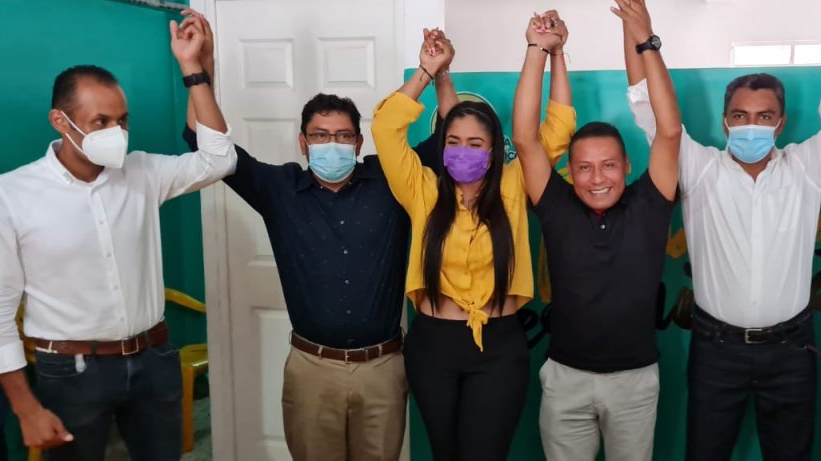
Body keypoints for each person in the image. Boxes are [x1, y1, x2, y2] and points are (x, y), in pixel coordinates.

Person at [626, 3, 821, 459]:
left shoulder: (808, 165)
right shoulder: (698, 168)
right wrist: (638, 32)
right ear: (725, 121)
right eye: (739, 116)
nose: (750, 125)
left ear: (781, 123)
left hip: (792, 351)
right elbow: (647, 105)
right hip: (716, 351)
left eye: (764, 116)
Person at [178, 14, 452, 461]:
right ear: (303, 143)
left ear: (359, 142)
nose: (332, 143)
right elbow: (205, 145)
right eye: (321, 136)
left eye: (343, 135)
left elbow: (448, 142)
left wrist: (439, 74)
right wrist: (199, 71)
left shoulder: (393, 180)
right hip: (311, 369)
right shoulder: (279, 189)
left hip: (383, 368)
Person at [0, 13, 235, 461]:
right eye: (100, 121)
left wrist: (197, 69)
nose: (115, 133)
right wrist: (26, 409)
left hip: (154, 360)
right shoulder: (8, 195)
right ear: (60, 121)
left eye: (122, 120)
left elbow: (219, 160)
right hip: (71, 371)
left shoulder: (142, 172)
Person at [370, 17, 576, 461]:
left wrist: (553, 53)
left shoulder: (514, 186)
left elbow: (557, 129)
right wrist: (429, 71)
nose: (462, 151)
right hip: (432, 345)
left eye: (475, 143)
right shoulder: (422, 190)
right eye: (454, 142)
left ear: (495, 150)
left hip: (500, 345)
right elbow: (385, 128)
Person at [512, 2, 680, 460]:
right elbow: (525, 138)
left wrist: (646, 40)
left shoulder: (650, 202)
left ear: (627, 165)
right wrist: (538, 49)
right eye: (584, 167)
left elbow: (669, 131)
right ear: (569, 170)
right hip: (565, 378)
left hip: (635, 381)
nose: (597, 178)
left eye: (608, 165)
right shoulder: (557, 205)